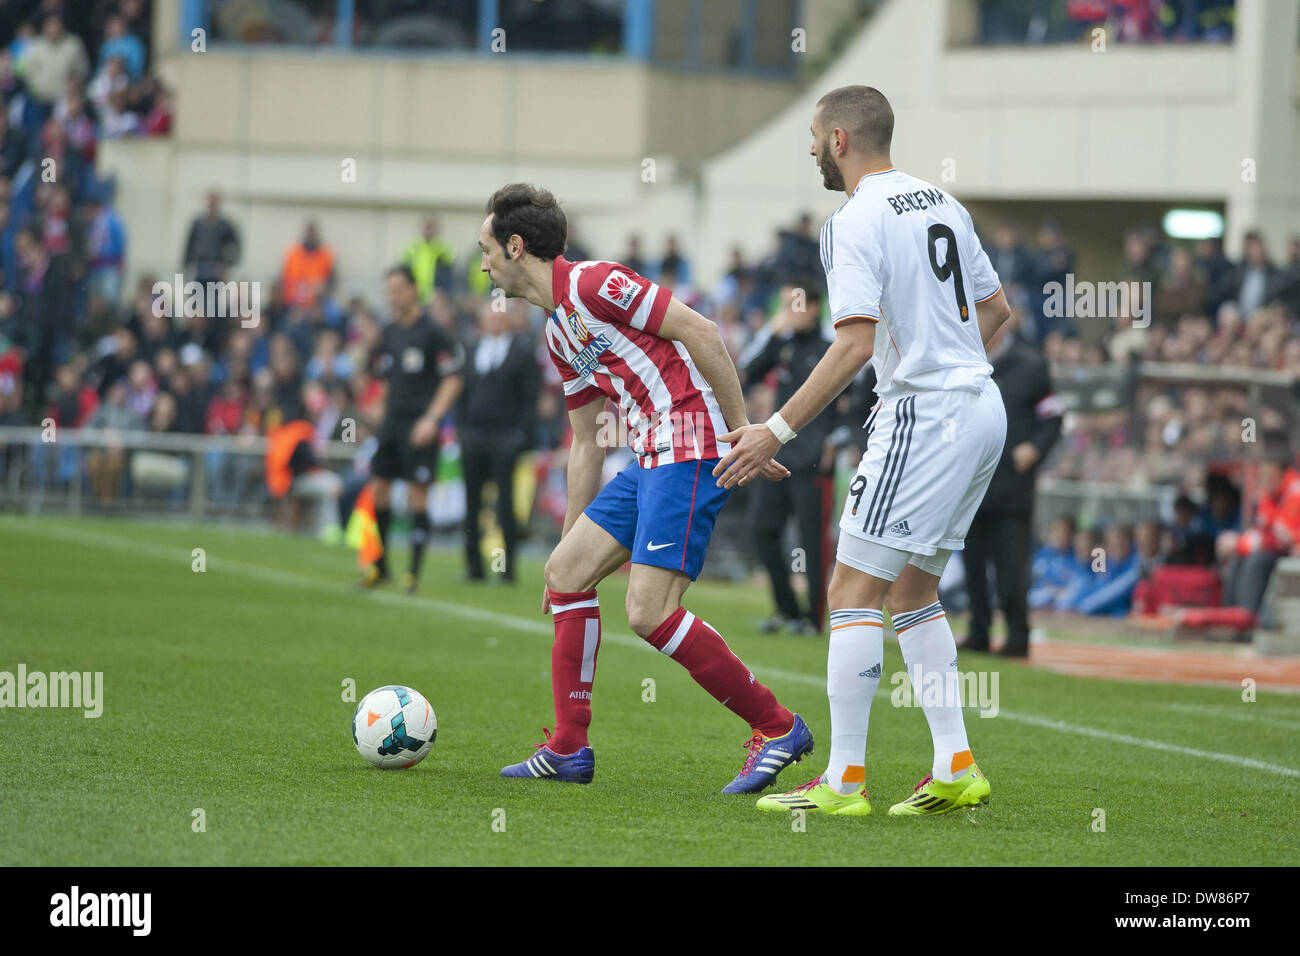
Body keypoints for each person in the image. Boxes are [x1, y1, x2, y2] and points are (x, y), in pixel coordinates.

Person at [715, 85, 1011, 817]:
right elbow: (998, 310)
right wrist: (950, 370)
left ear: (839, 140)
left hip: (927, 413)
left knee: (849, 592)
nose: (812, 149)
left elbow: (853, 343)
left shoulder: (853, 220)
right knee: (913, 592)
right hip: (982, 407)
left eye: (815, 137)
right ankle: (956, 766)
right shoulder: (942, 201)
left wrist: (773, 429)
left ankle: (843, 782)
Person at [478, 183, 811, 792]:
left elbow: (702, 332)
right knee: (565, 574)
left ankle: (778, 727)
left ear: (516, 246)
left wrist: (742, 432)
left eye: (486, 248)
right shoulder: (558, 332)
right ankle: (568, 748)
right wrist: (570, 540)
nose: (482, 263)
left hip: (688, 445)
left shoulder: (594, 283)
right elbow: (586, 440)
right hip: (648, 457)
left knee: (648, 611)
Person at [961, 309, 1063, 657]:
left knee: (1010, 568)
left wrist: (1035, 448)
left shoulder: (1031, 365)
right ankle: (978, 630)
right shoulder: (963, 362)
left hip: (1012, 489)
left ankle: (1018, 635)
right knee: (972, 565)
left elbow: (1053, 416)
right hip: (969, 486)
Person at [739, 281, 840, 634]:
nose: (786, 312)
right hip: (776, 456)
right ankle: (787, 610)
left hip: (813, 460)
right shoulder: (780, 345)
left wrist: (835, 441)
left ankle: (813, 617)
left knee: (812, 540)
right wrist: (771, 330)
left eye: (792, 304)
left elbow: (853, 400)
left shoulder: (832, 348)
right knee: (762, 529)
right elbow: (745, 370)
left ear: (813, 307)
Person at [362, 265, 464, 594]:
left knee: (417, 494)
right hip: (392, 424)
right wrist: (378, 405)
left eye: (398, 288)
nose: (393, 295)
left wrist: (432, 419)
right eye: (389, 289)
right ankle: (380, 567)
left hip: (420, 423)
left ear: (413, 289)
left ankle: (413, 574)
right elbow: (381, 378)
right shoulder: (389, 332)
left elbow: (453, 378)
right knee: (379, 487)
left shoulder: (433, 332)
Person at [459, 300, 539, 582]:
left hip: (505, 436)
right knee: (472, 501)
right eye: (490, 318)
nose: (494, 322)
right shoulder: (471, 349)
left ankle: (508, 568)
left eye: (499, 318)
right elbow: (462, 393)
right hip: (475, 435)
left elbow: (531, 398)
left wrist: (520, 435)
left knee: (506, 503)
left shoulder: (521, 351)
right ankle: (473, 566)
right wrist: (463, 431)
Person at [402, 216, 456, 303]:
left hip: (436, 297)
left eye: (431, 228)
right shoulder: (412, 249)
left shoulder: (443, 250)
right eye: (427, 228)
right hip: (415, 295)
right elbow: (403, 272)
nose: (428, 231)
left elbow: (449, 276)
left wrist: (444, 292)